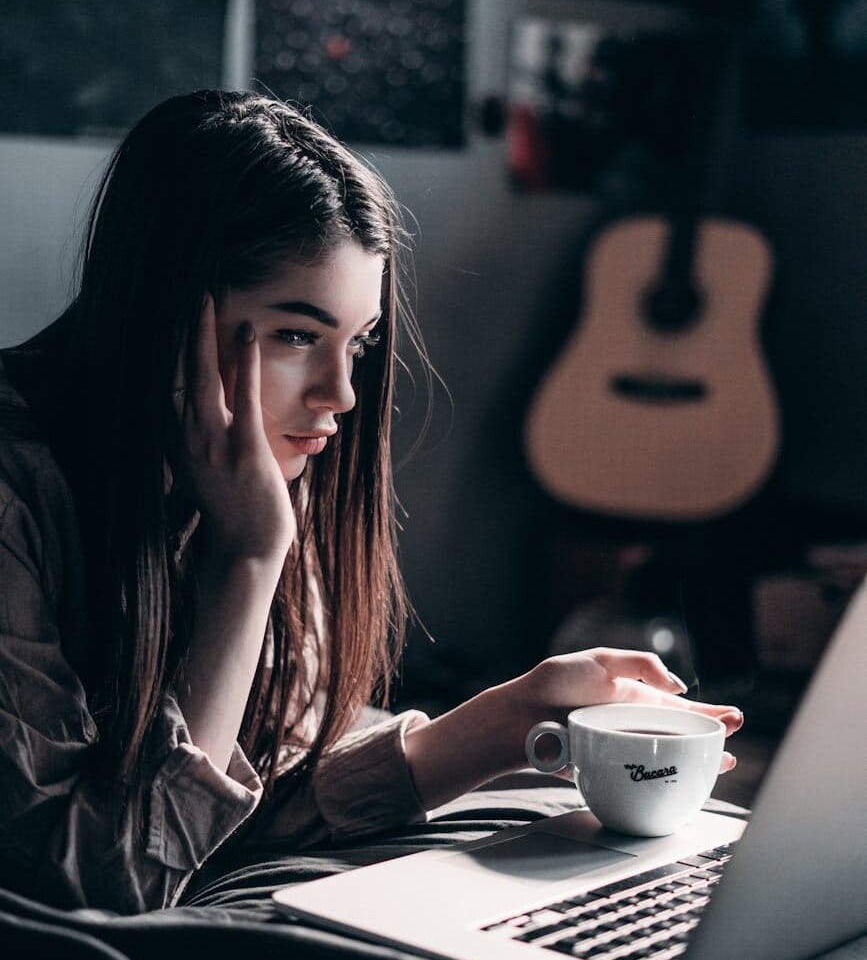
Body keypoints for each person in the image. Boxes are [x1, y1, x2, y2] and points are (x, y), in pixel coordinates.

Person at [0, 90, 742, 915]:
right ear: (161, 306)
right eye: (294, 335)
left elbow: (244, 801)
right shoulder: (27, 497)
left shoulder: (252, 471)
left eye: (357, 342)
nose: (341, 394)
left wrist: (513, 717)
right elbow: (109, 887)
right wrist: (249, 560)